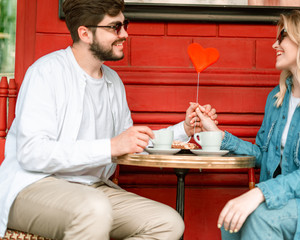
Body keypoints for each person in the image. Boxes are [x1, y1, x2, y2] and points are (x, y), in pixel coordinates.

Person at [0, 0, 217, 239]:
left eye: (125, 25)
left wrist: (185, 129)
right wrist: (110, 146)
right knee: (94, 208)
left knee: (168, 223)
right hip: (32, 187)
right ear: (85, 33)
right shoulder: (46, 72)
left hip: (92, 190)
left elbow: (131, 143)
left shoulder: (113, 82)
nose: (125, 34)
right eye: (115, 27)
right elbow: (32, 153)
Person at [196, 10, 300, 240]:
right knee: (231, 222)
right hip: (296, 201)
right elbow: (264, 156)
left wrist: (259, 194)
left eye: (282, 35)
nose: (275, 44)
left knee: (261, 217)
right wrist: (218, 135)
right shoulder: (278, 97)